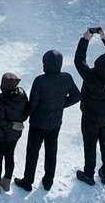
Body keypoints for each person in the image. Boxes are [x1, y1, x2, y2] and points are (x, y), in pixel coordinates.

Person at [15, 48, 78, 192]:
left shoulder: (40, 81)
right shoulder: (66, 78)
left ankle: (28, 181)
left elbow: (33, 104)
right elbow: (76, 96)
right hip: (55, 123)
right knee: (51, 152)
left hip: (38, 123)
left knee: (32, 152)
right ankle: (48, 181)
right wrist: (61, 105)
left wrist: (24, 116)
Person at [71, 26, 105, 185]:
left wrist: (85, 39)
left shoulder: (91, 77)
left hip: (90, 118)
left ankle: (88, 174)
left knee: (90, 145)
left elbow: (79, 60)